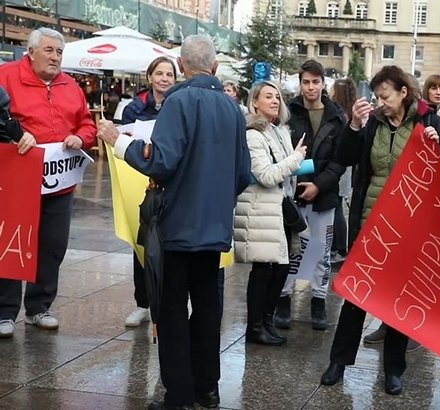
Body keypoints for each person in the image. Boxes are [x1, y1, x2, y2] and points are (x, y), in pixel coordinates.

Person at [96, 35, 251, 410]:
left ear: (182, 66)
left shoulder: (178, 101)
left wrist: (119, 143)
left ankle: (178, 395)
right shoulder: (233, 109)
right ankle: (207, 390)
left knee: (171, 310)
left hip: (177, 226)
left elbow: (160, 161)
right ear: (214, 68)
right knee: (208, 309)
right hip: (214, 230)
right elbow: (243, 173)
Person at [319, 65, 440, 395]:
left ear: (403, 92)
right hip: (372, 222)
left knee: (398, 299)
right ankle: (338, 362)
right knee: (355, 297)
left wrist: (438, 151)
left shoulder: (430, 122)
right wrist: (353, 124)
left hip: (409, 224)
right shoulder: (372, 124)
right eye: (377, 96)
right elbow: (347, 157)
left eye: (385, 96)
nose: (380, 102)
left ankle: (394, 369)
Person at [0, 28, 96, 338]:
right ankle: (5, 311)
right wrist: (14, 138)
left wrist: (80, 137)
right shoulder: (6, 76)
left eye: (59, 52)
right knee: (12, 243)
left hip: (60, 181)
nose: (55, 57)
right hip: (17, 179)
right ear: (30, 52)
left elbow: (86, 123)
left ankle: (39, 307)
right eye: (49, 50)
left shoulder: (70, 85)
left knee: (52, 245)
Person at [275, 60, 346, 331]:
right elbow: (282, 149)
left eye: (316, 82)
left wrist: (318, 185)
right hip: (293, 191)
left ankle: (319, 301)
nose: (311, 87)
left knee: (321, 251)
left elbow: (339, 160)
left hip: (325, 194)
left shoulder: (335, 115)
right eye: (306, 82)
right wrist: (301, 183)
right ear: (300, 82)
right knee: (290, 250)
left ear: (323, 83)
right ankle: (283, 299)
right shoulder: (289, 112)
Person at [234, 81, 306, 346]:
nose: (275, 101)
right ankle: (255, 327)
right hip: (261, 207)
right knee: (264, 268)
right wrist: (297, 158)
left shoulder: (279, 131)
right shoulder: (253, 133)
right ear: (254, 103)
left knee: (280, 267)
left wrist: (296, 163)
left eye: (277, 97)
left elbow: (284, 170)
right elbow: (265, 175)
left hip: (279, 206)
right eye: (268, 97)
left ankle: (267, 320)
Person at [120, 56, 177, 328]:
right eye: (160, 73)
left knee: (170, 244)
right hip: (139, 182)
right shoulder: (134, 108)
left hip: (170, 184)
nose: (165, 79)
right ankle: (142, 303)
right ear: (150, 77)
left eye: (170, 74)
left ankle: (168, 302)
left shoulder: (178, 106)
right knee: (141, 242)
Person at [328, 78, 356, 264]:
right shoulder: (348, 114)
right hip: (343, 169)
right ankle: (337, 247)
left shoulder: (342, 116)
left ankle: (341, 249)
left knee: (337, 206)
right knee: (336, 206)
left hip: (341, 169)